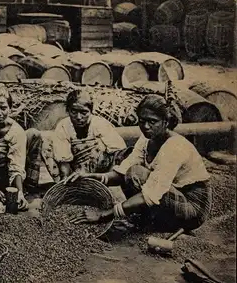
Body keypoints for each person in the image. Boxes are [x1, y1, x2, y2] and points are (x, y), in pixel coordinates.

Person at [68, 94, 212, 232]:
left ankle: (148, 219)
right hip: (172, 195)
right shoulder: (147, 139)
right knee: (127, 165)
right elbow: (121, 172)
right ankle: (148, 219)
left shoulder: (175, 146)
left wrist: (103, 214)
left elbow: (150, 194)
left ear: (166, 122)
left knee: (137, 173)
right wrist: (91, 177)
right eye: (142, 121)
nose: (146, 126)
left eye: (152, 121)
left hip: (193, 208)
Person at [53, 89, 131, 180]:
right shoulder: (63, 126)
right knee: (48, 145)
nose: (78, 117)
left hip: (101, 170)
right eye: (73, 112)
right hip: (75, 171)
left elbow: (119, 153)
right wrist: (65, 180)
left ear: (91, 111)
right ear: (68, 110)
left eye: (84, 112)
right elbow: (64, 161)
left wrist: (107, 178)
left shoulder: (100, 124)